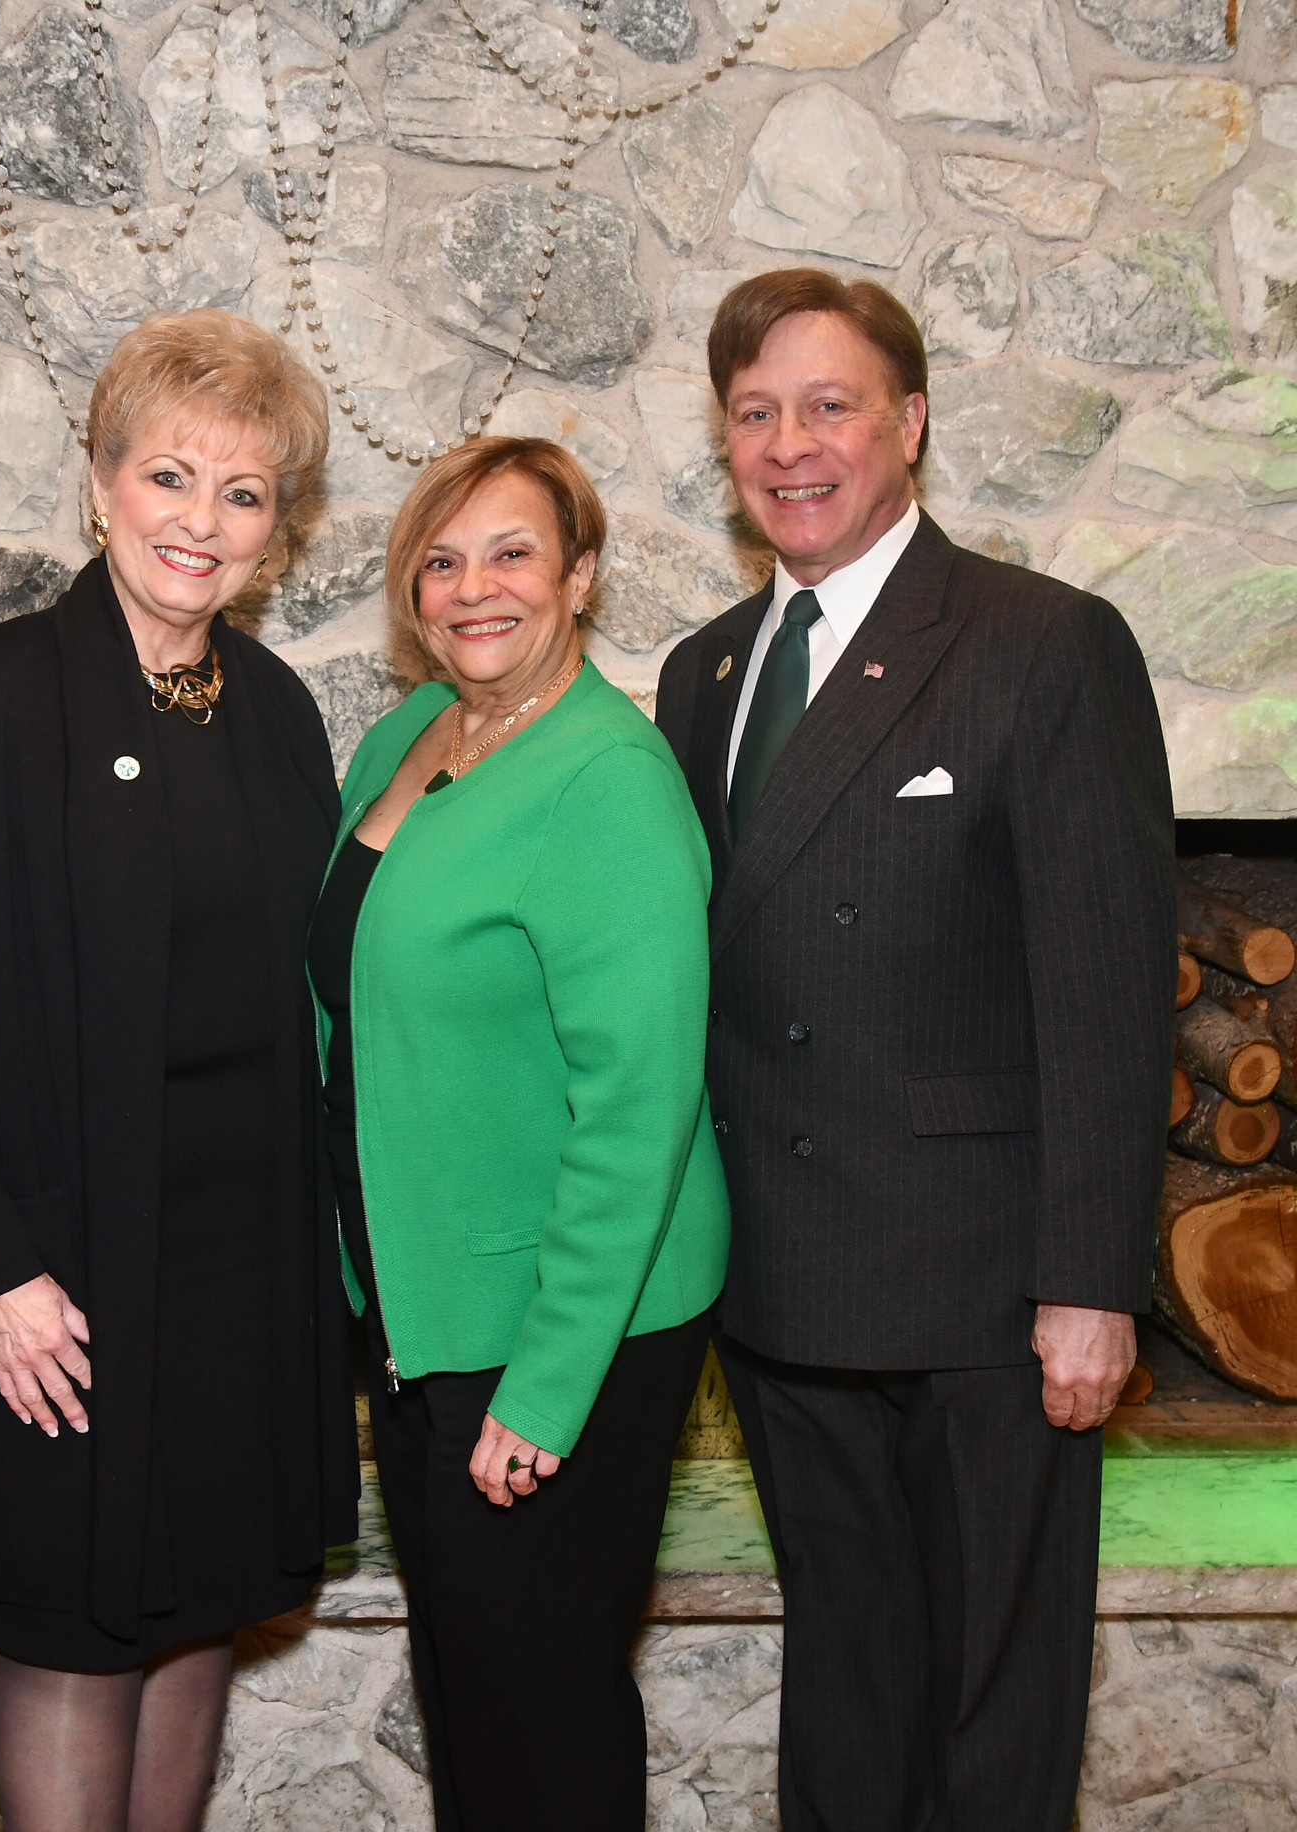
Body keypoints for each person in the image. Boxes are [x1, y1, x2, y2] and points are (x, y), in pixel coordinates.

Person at [653, 269, 1174, 1831]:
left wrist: (1091, 1285)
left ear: (912, 424)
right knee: (850, 1684)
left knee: (992, 1715)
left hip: (987, 1303)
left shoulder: (1043, 643)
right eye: (757, 413)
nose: (791, 444)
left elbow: (1108, 985)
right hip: (785, 1289)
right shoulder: (705, 674)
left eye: (831, 406)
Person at [0, 307, 357, 1832]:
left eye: (243, 493)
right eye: (167, 476)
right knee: (74, 1641)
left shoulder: (277, 719)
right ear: (97, 484)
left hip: (233, 1289)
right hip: (53, 1291)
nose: (198, 524)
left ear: (277, 531)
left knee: (199, 1614)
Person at [310, 436, 729, 1832]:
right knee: (472, 1695)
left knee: (540, 1712)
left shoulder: (609, 781)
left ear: (582, 574)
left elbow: (639, 1110)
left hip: (557, 1325)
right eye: (442, 559)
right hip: (425, 1304)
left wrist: (546, 1391)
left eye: (512, 554)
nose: (472, 588)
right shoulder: (406, 735)